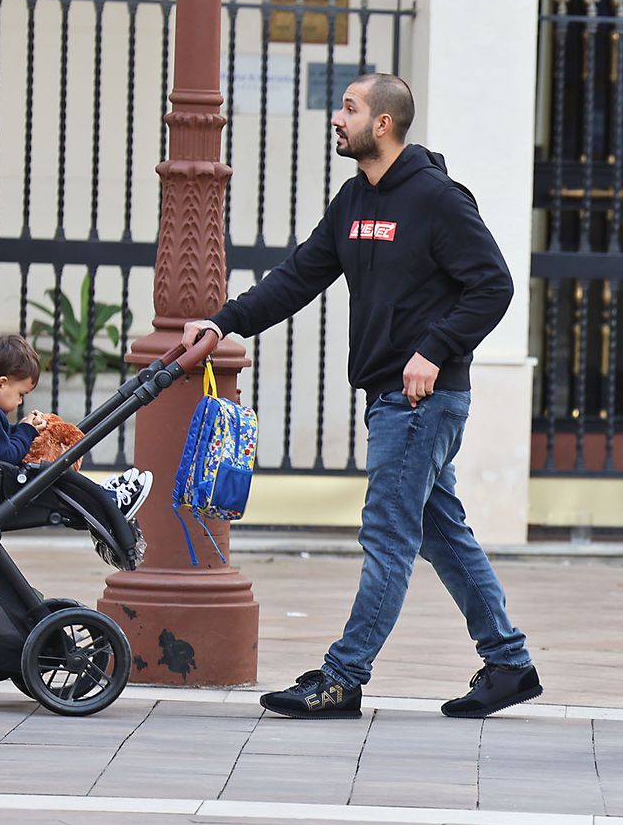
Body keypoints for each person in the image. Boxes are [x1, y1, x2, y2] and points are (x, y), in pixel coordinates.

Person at [182, 73, 540, 722]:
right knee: (443, 534)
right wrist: (223, 321)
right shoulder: (353, 200)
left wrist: (434, 351)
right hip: (389, 397)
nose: (336, 118)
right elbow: (297, 277)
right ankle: (509, 662)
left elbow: (493, 284)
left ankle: (343, 677)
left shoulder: (438, 199)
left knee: (387, 534)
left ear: (383, 124)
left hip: (419, 401)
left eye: (349, 108)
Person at [0, 332, 152, 517]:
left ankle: (103, 493)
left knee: (55, 471)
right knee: (55, 472)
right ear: (1, 384)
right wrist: (26, 431)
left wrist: (23, 428)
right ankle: (108, 503)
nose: (20, 402)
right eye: (20, 394)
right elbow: (4, 455)